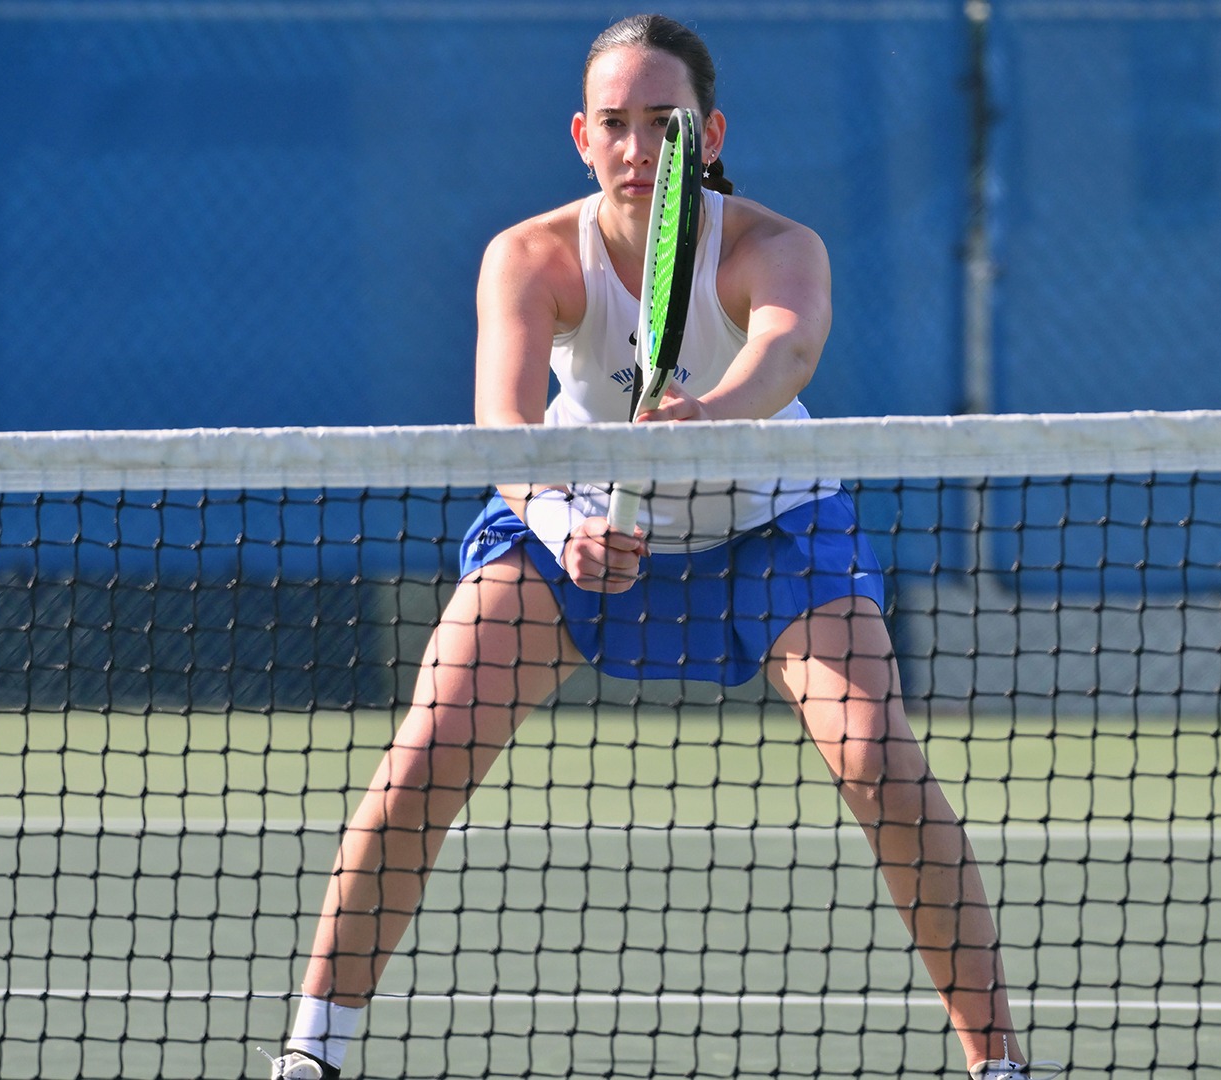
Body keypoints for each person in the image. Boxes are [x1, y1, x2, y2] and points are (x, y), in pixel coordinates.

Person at [261, 14, 1060, 1080]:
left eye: (663, 124)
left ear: (710, 133)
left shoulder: (777, 248)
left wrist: (715, 415)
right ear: (581, 138)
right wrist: (562, 520)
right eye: (616, 125)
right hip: (570, 529)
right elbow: (501, 425)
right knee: (426, 754)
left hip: (771, 530)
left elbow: (789, 349)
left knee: (878, 761)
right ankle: (313, 1056)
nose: (639, 150)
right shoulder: (532, 257)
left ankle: (999, 1066)